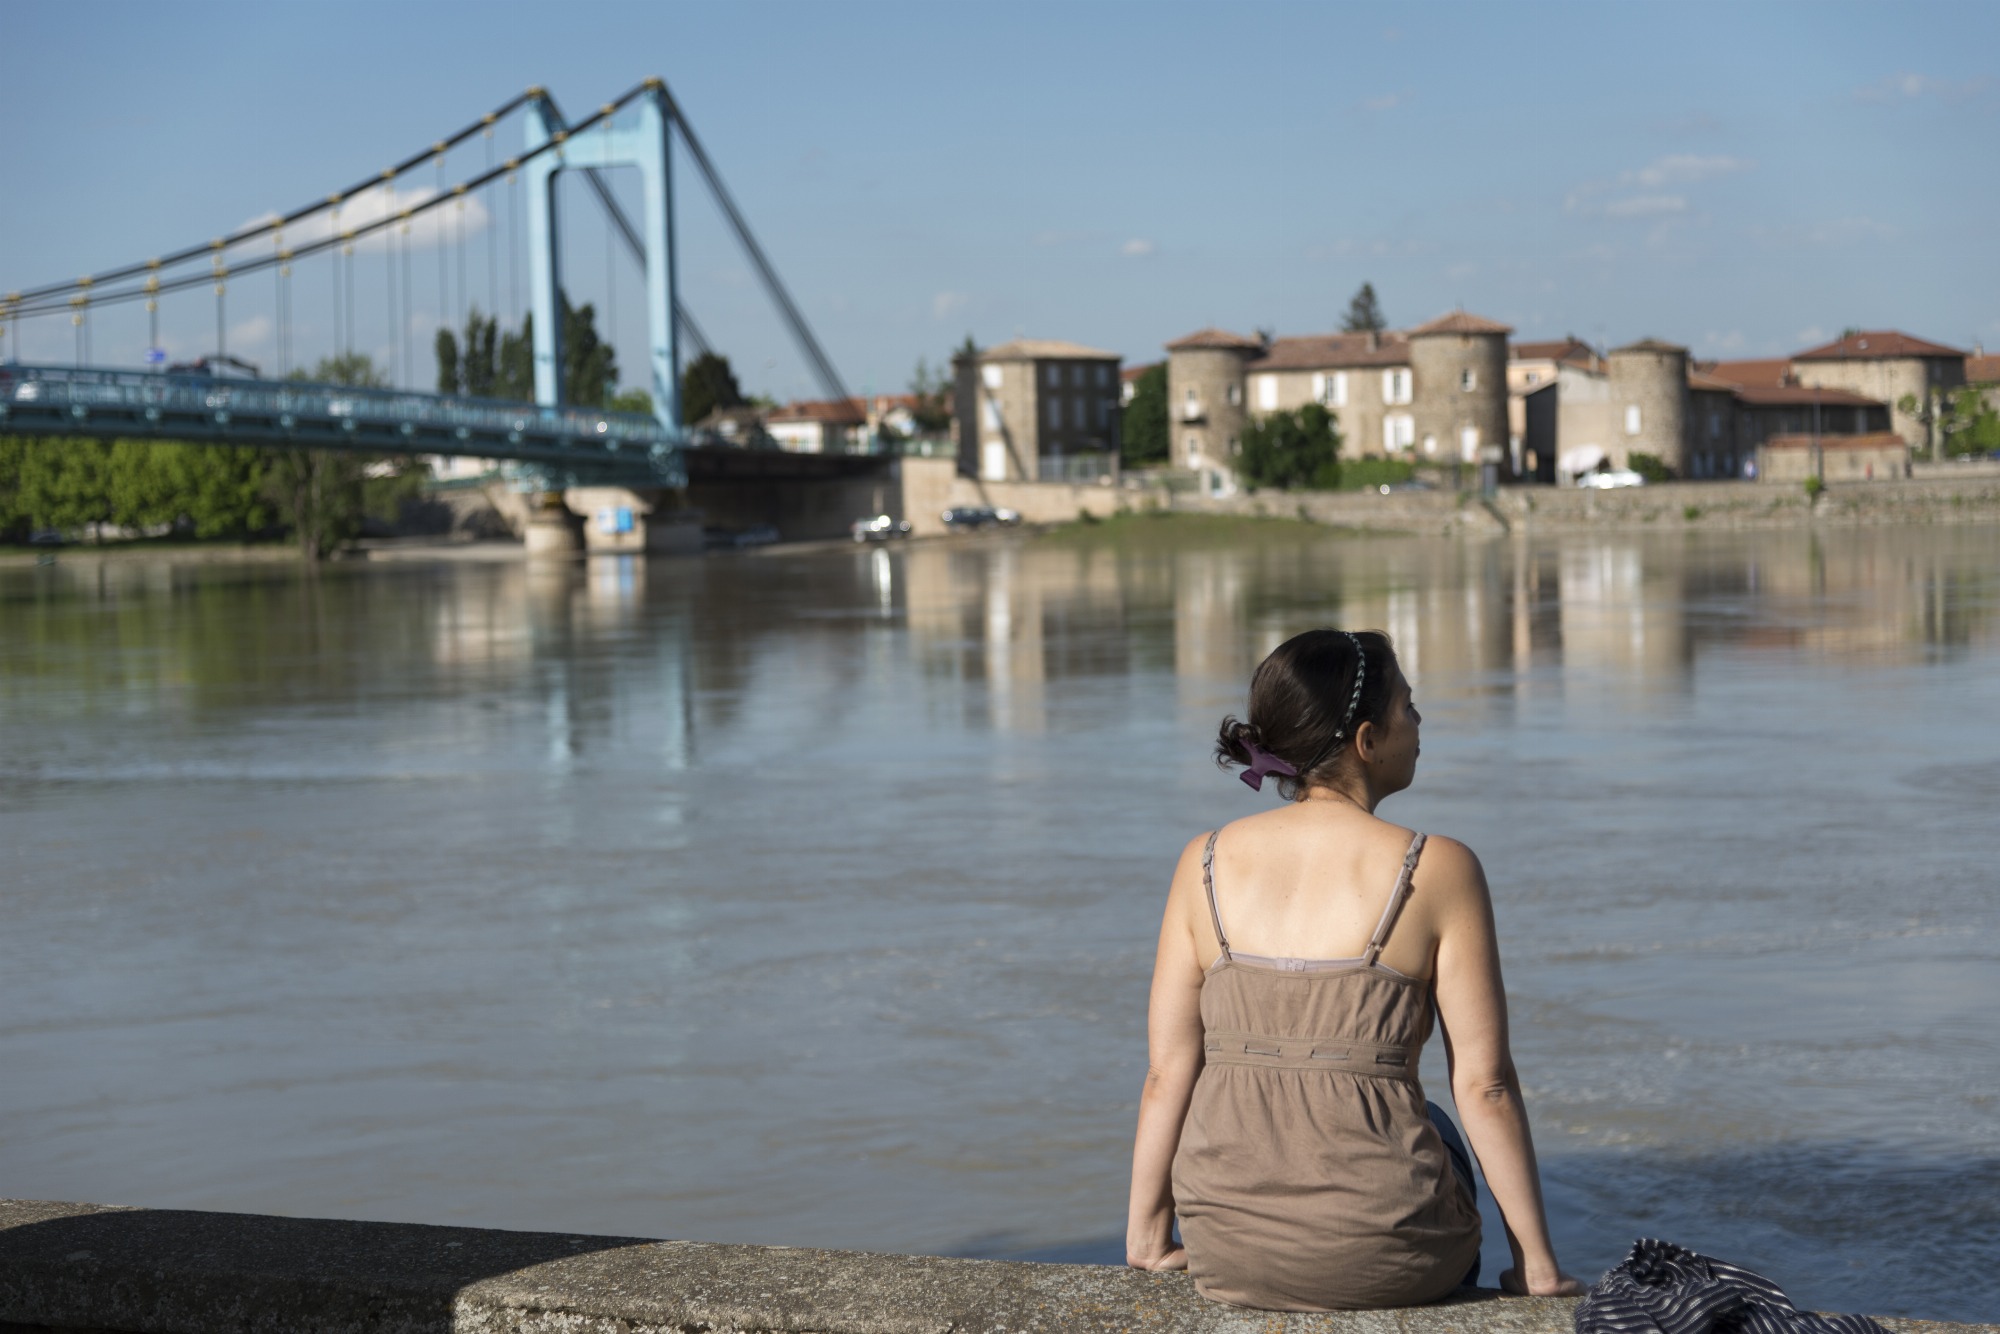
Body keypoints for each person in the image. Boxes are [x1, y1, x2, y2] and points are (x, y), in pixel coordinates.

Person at [1125, 628, 1583, 1311]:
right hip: (1391, 1257)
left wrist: (1148, 1239)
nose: (1421, 723)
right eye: (1409, 707)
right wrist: (1538, 1269)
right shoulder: (1438, 868)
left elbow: (1168, 1073)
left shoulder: (1204, 862)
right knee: (1437, 1122)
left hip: (1228, 1253)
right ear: (1367, 741)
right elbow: (1485, 1085)